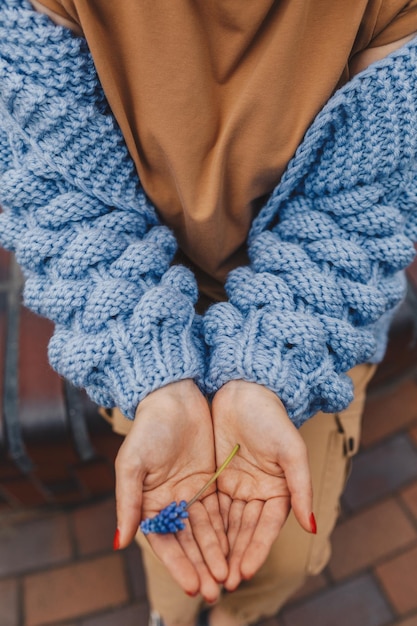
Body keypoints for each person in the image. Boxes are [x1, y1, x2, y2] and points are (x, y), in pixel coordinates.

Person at [1, 2, 417, 625]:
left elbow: (366, 199)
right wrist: (156, 374)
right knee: (169, 524)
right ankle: (175, 613)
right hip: (135, 315)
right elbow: (55, 178)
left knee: (282, 552)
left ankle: (237, 616)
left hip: (309, 322)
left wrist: (268, 368)